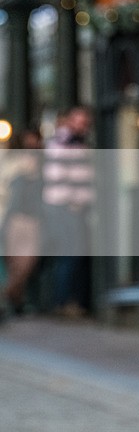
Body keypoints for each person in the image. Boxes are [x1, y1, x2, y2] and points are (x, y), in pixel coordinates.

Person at [43, 106, 95, 317]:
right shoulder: (62, 143)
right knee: (70, 254)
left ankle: (72, 301)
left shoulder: (78, 143)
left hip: (74, 207)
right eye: (78, 121)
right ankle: (63, 302)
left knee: (75, 255)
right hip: (65, 207)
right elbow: (59, 176)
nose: (82, 125)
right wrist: (74, 200)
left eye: (85, 122)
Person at [1, 128, 43, 316]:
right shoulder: (11, 162)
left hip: (30, 219)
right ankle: (14, 302)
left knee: (26, 263)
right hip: (13, 218)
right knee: (15, 264)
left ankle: (8, 297)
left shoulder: (40, 162)